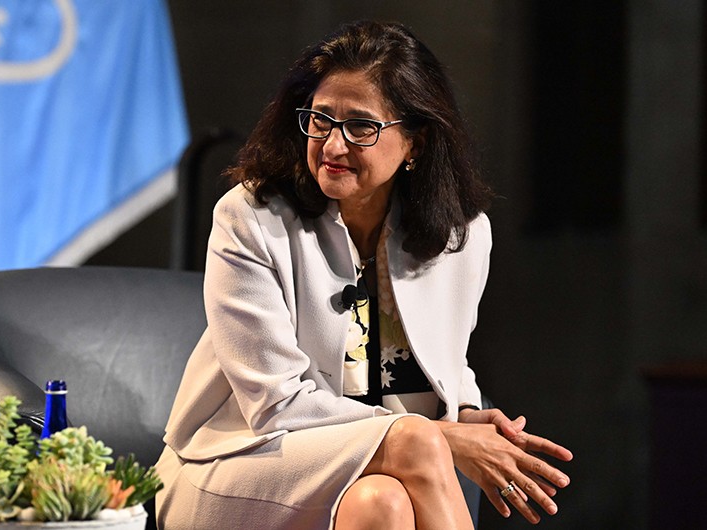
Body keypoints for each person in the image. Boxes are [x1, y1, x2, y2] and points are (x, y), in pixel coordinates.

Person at [155, 20, 573, 530]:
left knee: (382, 505)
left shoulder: (463, 234)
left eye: (360, 127)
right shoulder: (248, 218)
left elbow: (448, 361)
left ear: (415, 143)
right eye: (320, 120)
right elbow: (275, 408)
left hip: (378, 468)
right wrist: (439, 436)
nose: (332, 145)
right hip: (239, 459)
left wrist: (462, 413)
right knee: (417, 441)